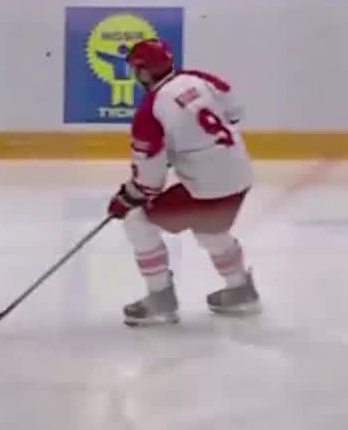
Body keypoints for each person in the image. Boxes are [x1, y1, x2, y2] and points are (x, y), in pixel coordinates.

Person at [106, 37, 259, 326]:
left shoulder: (150, 111)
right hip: (240, 175)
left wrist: (126, 198)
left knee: (137, 220)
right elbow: (235, 110)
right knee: (210, 230)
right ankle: (241, 289)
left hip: (206, 189)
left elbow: (149, 182)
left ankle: (160, 298)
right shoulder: (199, 78)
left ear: (143, 72)